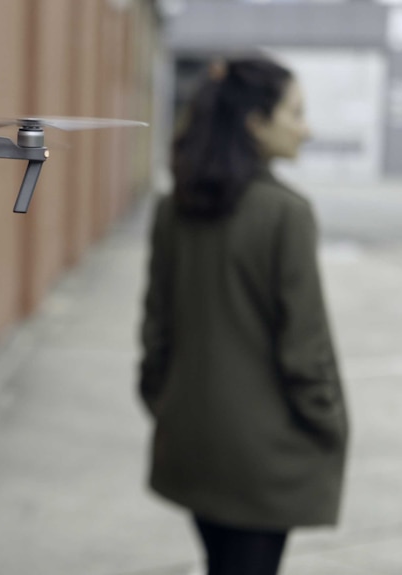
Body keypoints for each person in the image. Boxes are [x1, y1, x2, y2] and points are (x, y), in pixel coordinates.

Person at [137, 56, 349, 575]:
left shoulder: (175, 206)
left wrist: (163, 401)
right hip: (264, 459)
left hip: (191, 443)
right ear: (255, 122)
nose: (307, 128)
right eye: (295, 113)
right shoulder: (286, 214)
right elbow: (305, 351)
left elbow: (155, 328)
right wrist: (330, 426)